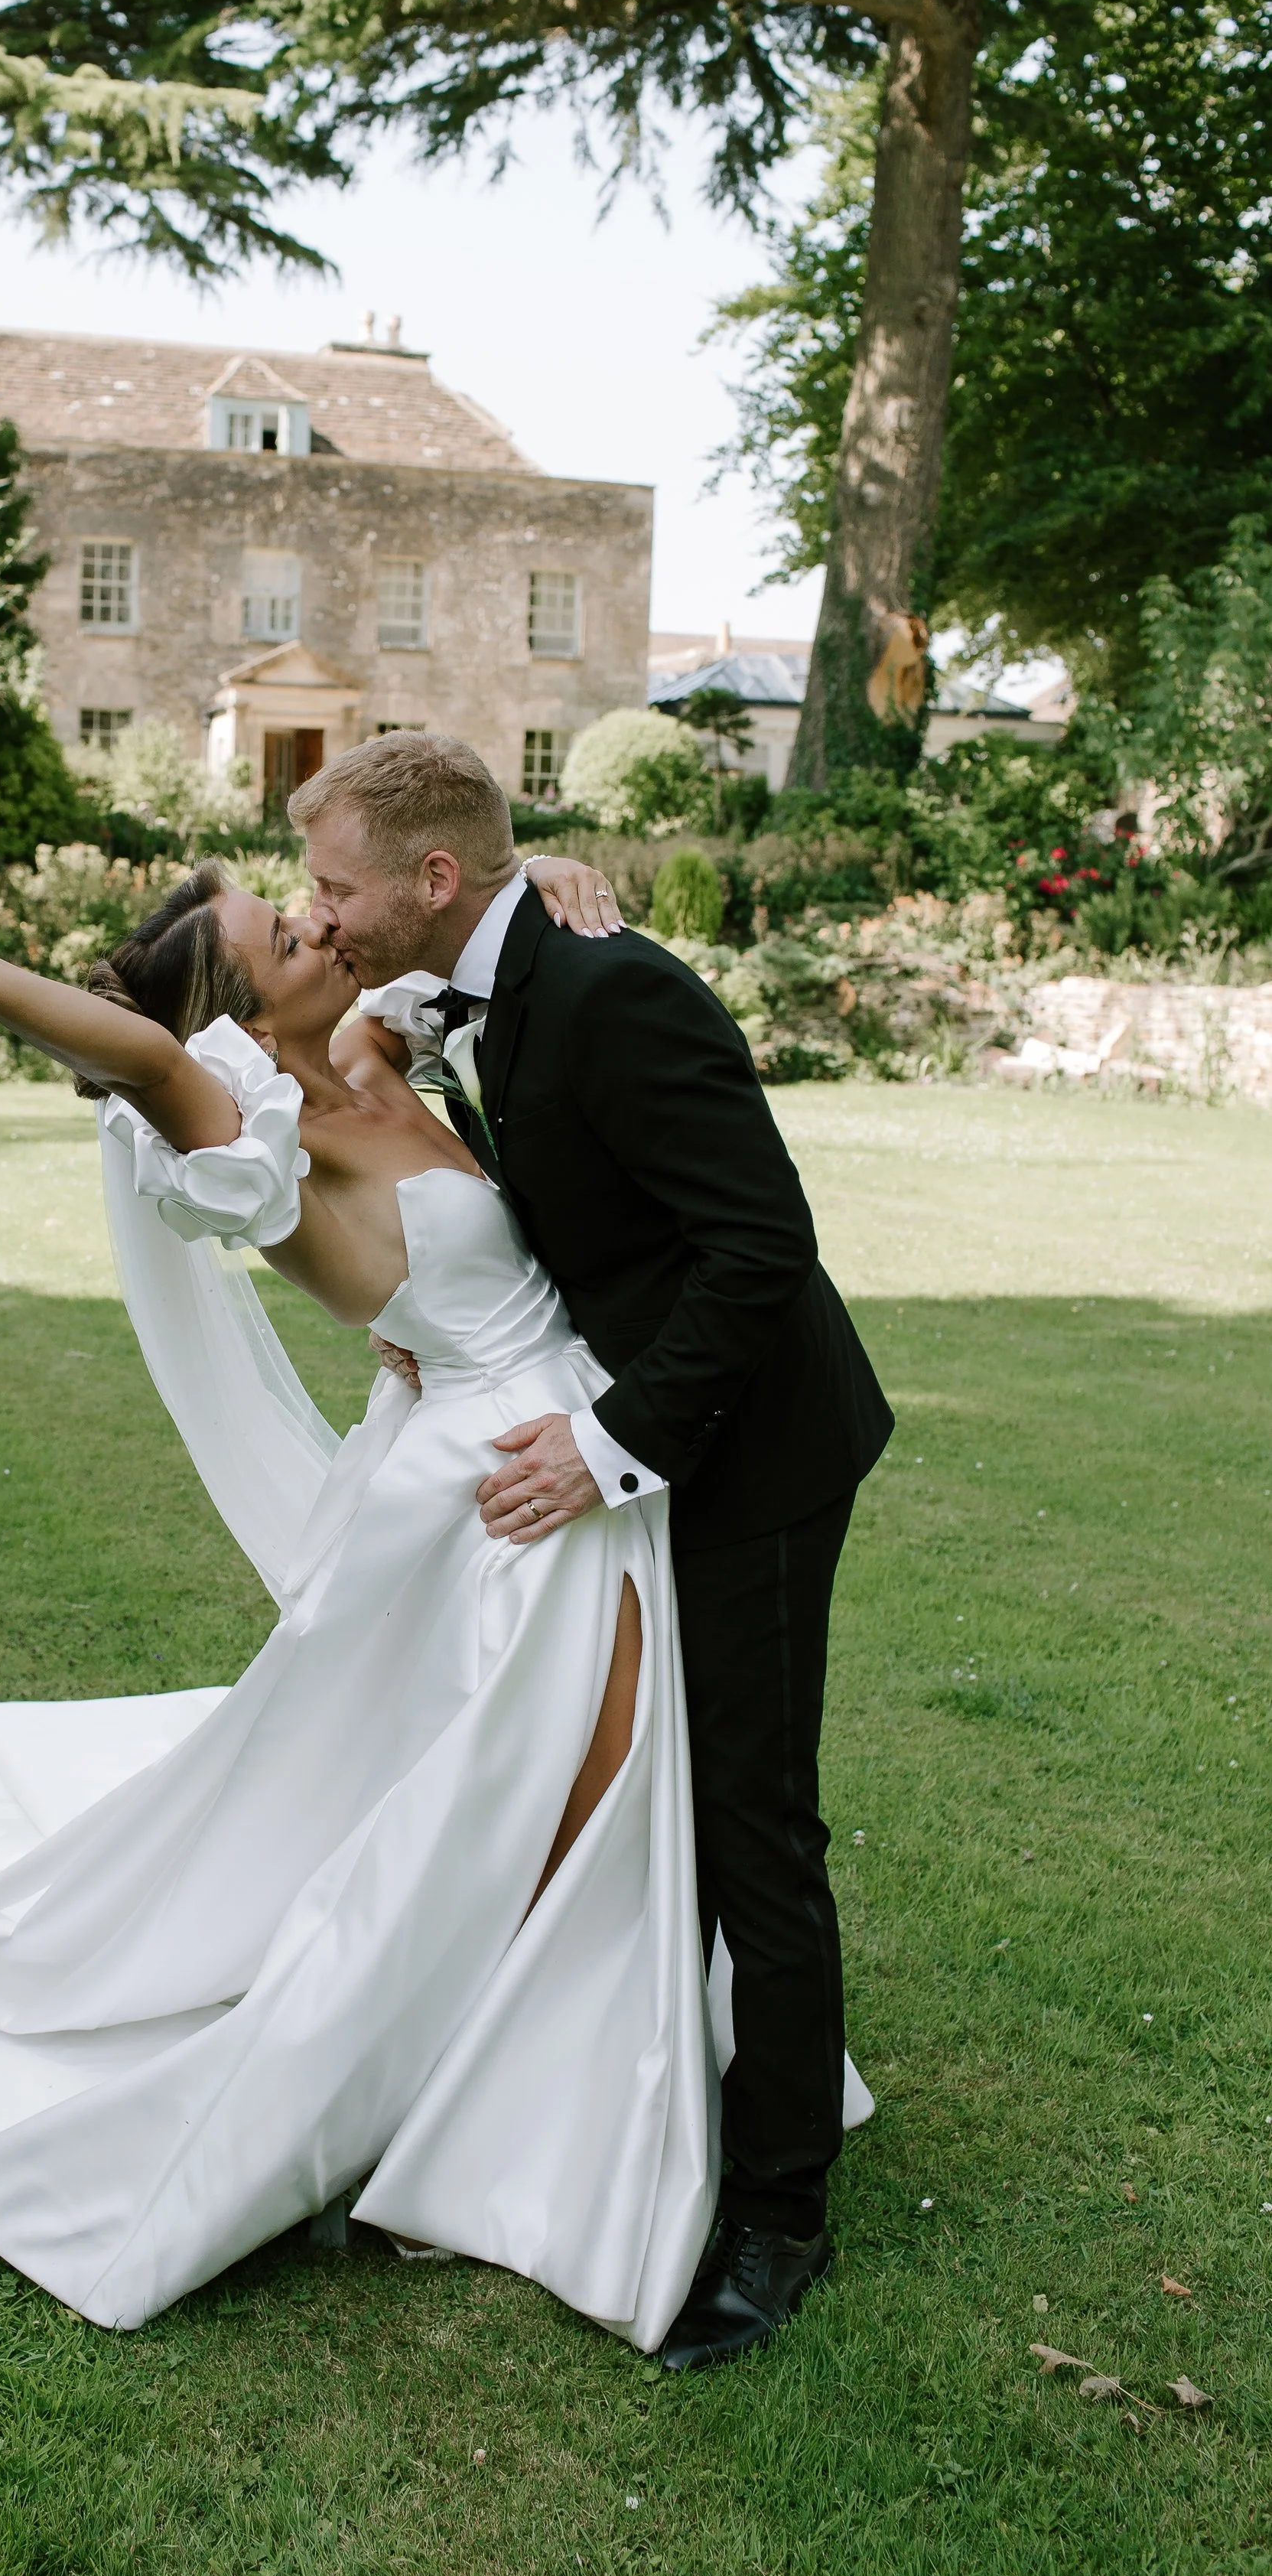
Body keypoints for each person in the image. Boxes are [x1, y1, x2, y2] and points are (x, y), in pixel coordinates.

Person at [0, 850, 738, 2346]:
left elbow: (444, 916)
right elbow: (140, 1050)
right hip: (509, 1486)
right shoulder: (244, 1124)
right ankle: (556, 2124)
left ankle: (563, 2076)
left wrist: (523, 864)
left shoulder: (374, 1039)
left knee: (587, 1784)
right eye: (274, 929)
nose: (309, 920)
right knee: (580, 1781)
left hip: (574, 1437)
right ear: (240, 1009)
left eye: (298, 904)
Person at [291, 734, 892, 2370]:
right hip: (650, 1436)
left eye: (334, 887)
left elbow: (760, 1244)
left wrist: (612, 1443)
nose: (314, 915)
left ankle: (776, 2218)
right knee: (660, 1799)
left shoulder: (610, 990)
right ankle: (632, 2086)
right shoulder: (478, 975)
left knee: (750, 1821)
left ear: (427, 880)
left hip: (750, 1455)